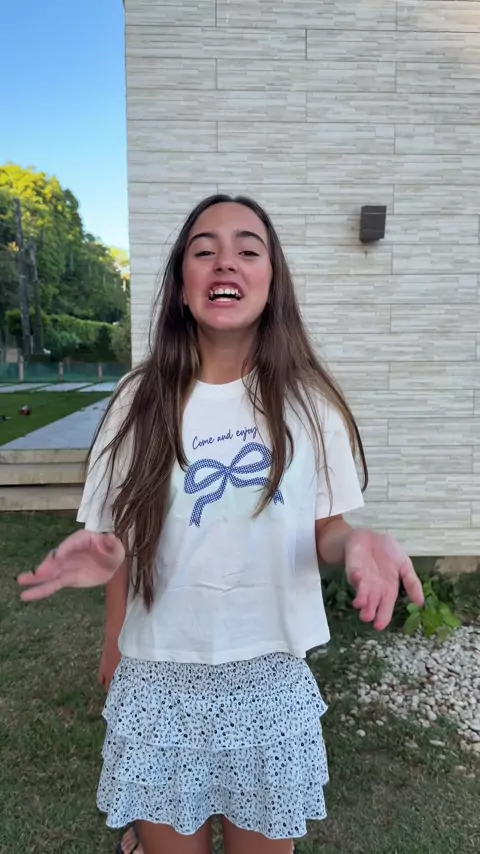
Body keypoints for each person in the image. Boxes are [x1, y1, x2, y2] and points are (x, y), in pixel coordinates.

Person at [18, 195, 424, 854]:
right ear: (182, 286)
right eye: (203, 251)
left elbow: (325, 527)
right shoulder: (138, 400)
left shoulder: (309, 404)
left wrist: (355, 540)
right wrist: (113, 633)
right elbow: (122, 540)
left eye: (247, 249)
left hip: (268, 676)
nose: (224, 262)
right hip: (160, 679)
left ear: (272, 280)